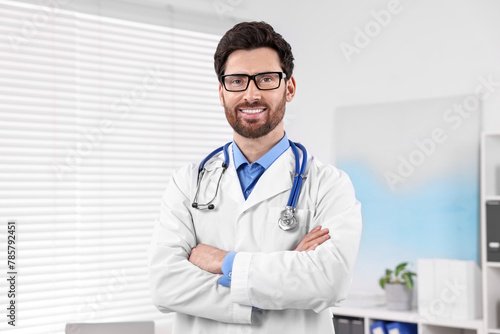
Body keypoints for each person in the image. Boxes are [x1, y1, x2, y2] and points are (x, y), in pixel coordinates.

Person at [148, 21, 362, 334]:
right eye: (237, 81)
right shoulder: (187, 183)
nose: (251, 94)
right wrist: (285, 276)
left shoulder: (329, 185)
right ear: (222, 93)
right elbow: (165, 285)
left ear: (288, 87)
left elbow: (330, 281)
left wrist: (225, 263)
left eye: (265, 79)